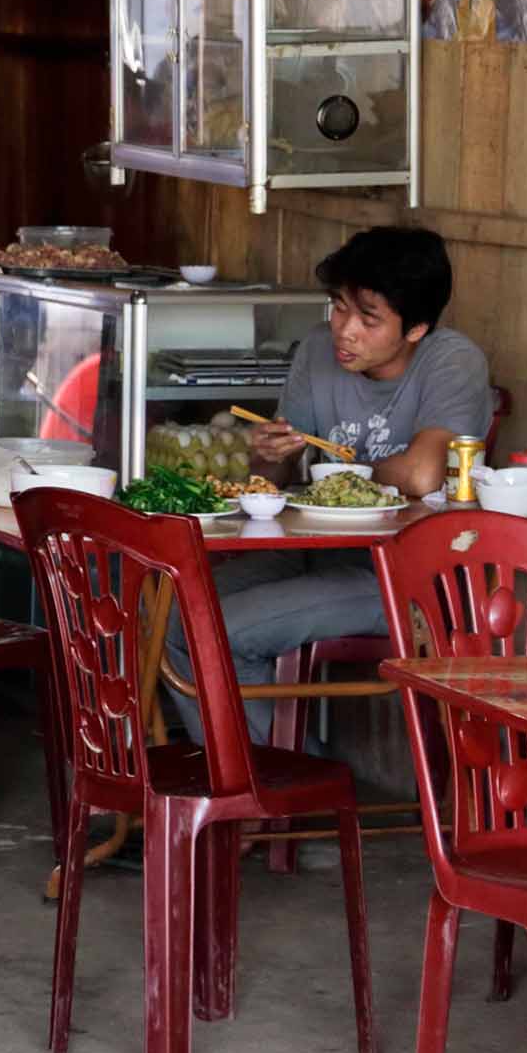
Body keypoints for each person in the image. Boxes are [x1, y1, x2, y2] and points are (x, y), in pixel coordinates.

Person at [164, 225, 492, 749]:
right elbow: (277, 483)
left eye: (369, 319)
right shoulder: (318, 349)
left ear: (416, 329)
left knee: (221, 625)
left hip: (410, 578)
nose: (345, 331)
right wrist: (267, 455)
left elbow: (424, 475)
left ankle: (279, 785)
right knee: (173, 614)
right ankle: (270, 781)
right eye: (339, 308)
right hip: (316, 551)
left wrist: (351, 472)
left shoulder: (452, 360)